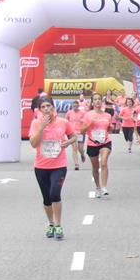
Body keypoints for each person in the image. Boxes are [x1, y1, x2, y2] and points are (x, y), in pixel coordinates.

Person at [28, 99, 79, 240]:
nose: (46, 109)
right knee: (47, 198)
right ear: (39, 109)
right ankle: (50, 223)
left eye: (48, 106)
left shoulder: (63, 122)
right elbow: (33, 144)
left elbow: (74, 136)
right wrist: (41, 128)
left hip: (59, 165)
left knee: (55, 193)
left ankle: (58, 224)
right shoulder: (36, 123)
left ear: (53, 107)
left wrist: (67, 142)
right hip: (41, 166)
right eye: (43, 107)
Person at [80, 94, 115, 197]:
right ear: (92, 102)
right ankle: (98, 187)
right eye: (95, 99)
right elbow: (82, 131)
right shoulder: (88, 115)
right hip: (92, 143)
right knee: (95, 167)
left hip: (105, 142)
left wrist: (110, 128)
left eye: (99, 99)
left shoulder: (107, 115)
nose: (98, 101)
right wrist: (89, 124)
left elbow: (109, 129)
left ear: (102, 101)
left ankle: (104, 187)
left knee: (104, 163)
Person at [66, 99, 88, 170]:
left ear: (78, 106)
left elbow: (86, 122)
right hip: (72, 133)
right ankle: (76, 164)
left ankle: (82, 154)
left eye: (76, 106)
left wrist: (84, 127)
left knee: (80, 148)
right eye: (73, 106)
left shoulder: (82, 113)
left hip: (81, 132)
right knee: (74, 148)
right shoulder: (69, 113)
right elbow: (66, 122)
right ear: (72, 106)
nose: (75, 107)